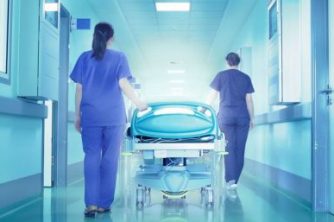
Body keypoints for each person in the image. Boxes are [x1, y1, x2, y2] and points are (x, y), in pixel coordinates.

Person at [70, 22, 148, 217]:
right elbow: (123, 83)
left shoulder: (84, 58)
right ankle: (105, 203)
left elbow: (79, 89)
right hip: (113, 117)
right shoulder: (120, 57)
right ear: (111, 38)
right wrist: (139, 103)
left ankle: (91, 204)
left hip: (91, 116)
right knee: (110, 159)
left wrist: (77, 115)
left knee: (91, 157)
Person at [206, 52, 254, 191]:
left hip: (225, 117)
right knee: (240, 149)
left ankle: (230, 179)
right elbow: (249, 100)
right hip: (242, 117)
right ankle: (235, 180)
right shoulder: (245, 78)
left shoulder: (221, 76)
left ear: (227, 62)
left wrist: (202, 111)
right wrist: (252, 118)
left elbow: (212, 97)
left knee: (229, 149)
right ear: (239, 63)